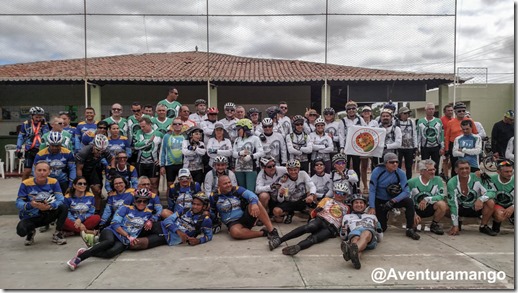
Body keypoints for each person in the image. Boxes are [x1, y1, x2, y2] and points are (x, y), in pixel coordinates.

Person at [66, 188, 154, 271]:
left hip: (124, 240)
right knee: (109, 242)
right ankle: (78, 259)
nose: (141, 203)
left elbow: (157, 215)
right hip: (112, 231)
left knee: (110, 253)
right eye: (139, 200)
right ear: (134, 200)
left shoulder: (149, 213)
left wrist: (151, 220)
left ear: (148, 202)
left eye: (145, 201)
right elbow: (115, 223)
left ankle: (87, 250)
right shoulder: (125, 208)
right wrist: (127, 235)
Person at [268, 182, 351, 255]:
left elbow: (345, 221)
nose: (339, 195)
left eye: (342, 194)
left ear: (346, 195)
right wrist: (317, 210)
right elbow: (313, 213)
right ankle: (280, 240)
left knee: (314, 239)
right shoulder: (327, 200)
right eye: (337, 192)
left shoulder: (347, 208)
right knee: (309, 227)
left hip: (332, 228)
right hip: (321, 219)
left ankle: (297, 247)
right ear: (333, 192)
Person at [129, 192, 213, 250]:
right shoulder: (185, 209)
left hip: (167, 238)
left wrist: (198, 241)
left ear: (205, 206)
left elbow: (209, 236)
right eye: (193, 203)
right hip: (159, 226)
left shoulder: (206, 220)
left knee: (135, 245)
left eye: (198, 205)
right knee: (133, 231)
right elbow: (167, 221)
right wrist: (178, 231)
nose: (194, 206)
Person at [209, 175, 280, 241]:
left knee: (256, 202)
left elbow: (251, 195)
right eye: (225, 183)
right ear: (219, 186)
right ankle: (263, 233)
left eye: (229, 182)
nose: (228, 185)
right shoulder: (214, 196)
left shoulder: (236, 189)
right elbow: (212, 211)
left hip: (245, 216)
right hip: (232, 223)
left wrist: (254, 203)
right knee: (235, 233)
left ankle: (272, 231)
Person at [368, 153, 420, 240]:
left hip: (393, 199)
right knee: (382, 228)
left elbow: (406, 191)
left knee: (409, 201)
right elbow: (372, 190)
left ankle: (410, 228)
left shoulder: (400, 173)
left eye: (397, 162)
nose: (395, 164)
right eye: (391, 162)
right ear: (385, 163)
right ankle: (384, 215)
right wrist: (372, 207)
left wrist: (393, 201)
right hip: (380, 200)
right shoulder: (377, 171)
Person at [16, 161, 68, 246]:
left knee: (64, 207)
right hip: (32, 215)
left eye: (44, 170)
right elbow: (18, 202)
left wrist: (50, 206)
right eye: (39, 170)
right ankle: (30, 232)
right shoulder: (25, 183)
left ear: (49, 172)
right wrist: (30, 205)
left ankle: (58, 234)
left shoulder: (54, 182)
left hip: (47, 213)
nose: (42, 173)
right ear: (34, 171)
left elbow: (61, 199)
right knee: (21, 231)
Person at [446, 159, 496, 236]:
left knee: (490, 202)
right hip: (460, 208)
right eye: (461, 169)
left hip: (476, 207)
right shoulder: (451, 182)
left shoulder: (477, 178)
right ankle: (457, 222)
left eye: (467, 168)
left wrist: (481, 199)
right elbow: (453, 204)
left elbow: (491, 192)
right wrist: (455, 225)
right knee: (446, 206)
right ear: (456, 170)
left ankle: (483, 226)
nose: (464, 171)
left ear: (470, 169)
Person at [340, 194, 383, 270]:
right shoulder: (346, 217)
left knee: (366, 233)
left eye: (361, 203)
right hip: (354, 233)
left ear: (365, 205)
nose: (359, 205)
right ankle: (355, 259)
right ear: (352, 205)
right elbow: (343, 236)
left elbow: (380, 238)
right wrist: (343, 231)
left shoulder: (372, 216)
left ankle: (349, 252)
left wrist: (378, 228)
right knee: (355, 239)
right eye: (356, 202)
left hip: (369, 234)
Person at [75, 134, 115, 212]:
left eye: (102, 151)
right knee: (82, 190)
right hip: (83, 170)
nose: (100, 153)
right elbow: (79, 168)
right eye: (97, 150)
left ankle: (97, 211)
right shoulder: (84, 151)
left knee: (97, 191)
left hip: (94, 170)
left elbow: (112, 158)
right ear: (93, 146)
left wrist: (112, 167)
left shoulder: (104, 150)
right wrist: (80, 181)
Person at [408, 160, 448, 235]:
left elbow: (441, 196)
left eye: (434, 169)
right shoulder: (411, 182)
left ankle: (434, 224)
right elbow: (407, 200)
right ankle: (413, 222)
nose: (433, 172)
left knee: (442, 205)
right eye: (429, 170)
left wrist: (427, 199)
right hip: (416, 209)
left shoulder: (438, 180)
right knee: (412, 226)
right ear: (422, 172)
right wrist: (413, 213)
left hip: (430, 207)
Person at [271, 159, 317, 224]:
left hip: (301, 200)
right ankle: (289, 213)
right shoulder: (283, 180)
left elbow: (312, 186)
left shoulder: (303, 174)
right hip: (289, 202)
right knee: (276, 212)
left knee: (314, 195)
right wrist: (281, 194)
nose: (293, 172)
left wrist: (311, 195)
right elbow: (280, 200)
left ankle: (311, 216)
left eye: (295, 170)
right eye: (291, 170)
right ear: (287, 170)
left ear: (298, 170)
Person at [444, 102, 479, 177]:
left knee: (468, 165)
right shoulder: (451, 122)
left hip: (469, 145)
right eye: (459, 111)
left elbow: (475, 134)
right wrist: (446, 149)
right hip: (454, 146)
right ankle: (455, 182)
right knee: (455, 166)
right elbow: (447, 136)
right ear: (455, 112)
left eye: (463, 110)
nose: (462, 112)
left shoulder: (470, 121)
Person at [16, 106, 50, 180]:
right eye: (36, 117)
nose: (38, 119)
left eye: (40, 117)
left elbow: (46, 136)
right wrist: (18, 149)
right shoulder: (25, 124)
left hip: (41, 150)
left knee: (41, 171)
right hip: (29, 150)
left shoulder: (45, 124)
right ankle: (24, 188)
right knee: (27, 171)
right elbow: (20, 137)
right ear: (31, 116)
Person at [232, 118, 264, 192]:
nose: (237, 131)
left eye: (239, 129)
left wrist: (251, 156)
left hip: (251, 168)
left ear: (245, 128)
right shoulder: (237, 140)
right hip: (239, 168)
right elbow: (233, 154)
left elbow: (261, 152)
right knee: (241, 191)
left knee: (250, 190)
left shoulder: (255, 138)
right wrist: (240, 153)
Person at [134, 117, 163, 194]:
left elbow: (162, 149)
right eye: (141, 126)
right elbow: (136, 146)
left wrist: (160, 160)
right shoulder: (139, 133)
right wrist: (148, 141)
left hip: (153, 162)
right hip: (141, 162)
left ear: (149, 124)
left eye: (143, 126)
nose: (142, 128)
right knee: (141, 184)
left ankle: (154, 202)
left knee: (154, 184)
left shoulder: (158, 134)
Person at [485, 160, 514, 233]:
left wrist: (513, 207)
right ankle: (496, 226)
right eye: (506, 172)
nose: (510, 174)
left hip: (512, 205)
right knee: (500, 215)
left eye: (511, 171)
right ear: (498, 172)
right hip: (498, 205)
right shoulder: (491, 179)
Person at [416, 102, 444, 176]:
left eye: (432, 109)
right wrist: (417, 147)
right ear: (426, 110)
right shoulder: (420, 121)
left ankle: (436, 179)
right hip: (425, 147)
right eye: (429, 109)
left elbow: (441, 135)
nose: (431, 111)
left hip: (436, 146)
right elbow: (418, 135)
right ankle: (424, 178)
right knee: (424, 165)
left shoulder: (438, 121)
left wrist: (442, 147)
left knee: (436, 165)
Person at [338, 101, 365, 177]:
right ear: (346, 111)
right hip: (347, 147)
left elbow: (365, 132)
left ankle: (357, 186)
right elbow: (341, 135)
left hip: (357, 147)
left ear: (356, 109)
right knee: (345, 167)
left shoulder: (360, 120)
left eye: (353, 108)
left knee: (356, 167)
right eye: (349, 109)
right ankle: (345, 183)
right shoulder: (343, 121)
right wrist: (342, 147)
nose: (351, 110)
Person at [160, 118, 186, 188]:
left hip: (182, 164)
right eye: (175, 124)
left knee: (183, 185)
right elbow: (163, 151)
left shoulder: (186, 136)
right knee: (170, 186)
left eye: (179, 124)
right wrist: (162, 165)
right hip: (169, 165)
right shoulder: (166, 136)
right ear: (172, 125)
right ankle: (169, 199)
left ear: (182, 125)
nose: (177, 125)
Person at [359, 106, 377, 193]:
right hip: (363, 147)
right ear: (362, 113)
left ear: (371, 113)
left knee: (375, 167)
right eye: (364, 111)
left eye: (368, 111)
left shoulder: (375, 122)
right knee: (364, 167)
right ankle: (365, 186)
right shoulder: (359, 122)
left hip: (373, 147)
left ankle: (373, 185)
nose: (366, 112)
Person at [397, 107, 418, 180]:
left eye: (408, 113)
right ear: (400, 114)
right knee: (397, 166)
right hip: (399, 148)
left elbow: (414, 134)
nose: (407, 115)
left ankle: (409, 181)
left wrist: (415, 146)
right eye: (405, 113)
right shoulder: (396, 122)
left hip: (410, 147)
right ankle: (398, 180)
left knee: (409, 166)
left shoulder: (411, 122)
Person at [440, 103, 454, 180]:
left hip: (452, 143)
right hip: (444, 143)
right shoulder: (441, 120)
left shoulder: (453, 120)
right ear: (444, 112)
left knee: (452, 161)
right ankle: (446, 176)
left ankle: (443, 171)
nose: (450, 112)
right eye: (448, 110)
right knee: (445, 160)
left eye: (451, 110)